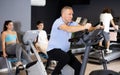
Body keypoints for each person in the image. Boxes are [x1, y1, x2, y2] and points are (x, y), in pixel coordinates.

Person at [46, 6, 100, 75]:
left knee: (79, 67)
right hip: (53, 51)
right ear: (63, 14)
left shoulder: (72, 23)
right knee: (65, 58)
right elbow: (68, 29)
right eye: (69, 14)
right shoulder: (58, 22)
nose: (71, 16)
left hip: (65, 51)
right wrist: (84, 27)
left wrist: (96, 28)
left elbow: (86, 28)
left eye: (72, 14)